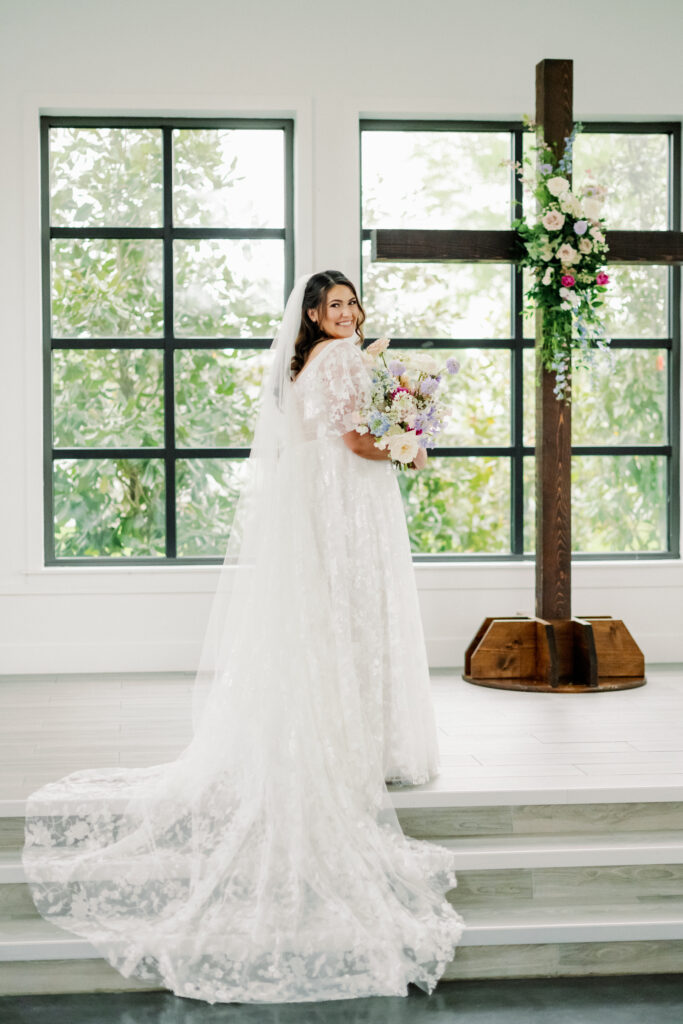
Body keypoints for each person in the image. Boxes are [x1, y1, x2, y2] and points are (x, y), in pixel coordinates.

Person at [22, 270, 465, 1005]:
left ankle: (349, 732)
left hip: (325, 498)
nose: (346, 312)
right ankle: (362, 742)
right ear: (313, 317)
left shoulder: (306, 365)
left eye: (351, 302)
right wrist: (408, 448)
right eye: (333, 305)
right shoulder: (342, 360)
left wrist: (398, 430)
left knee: (333, 627)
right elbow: (356, 439)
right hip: (346, 500)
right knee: (355, 620)